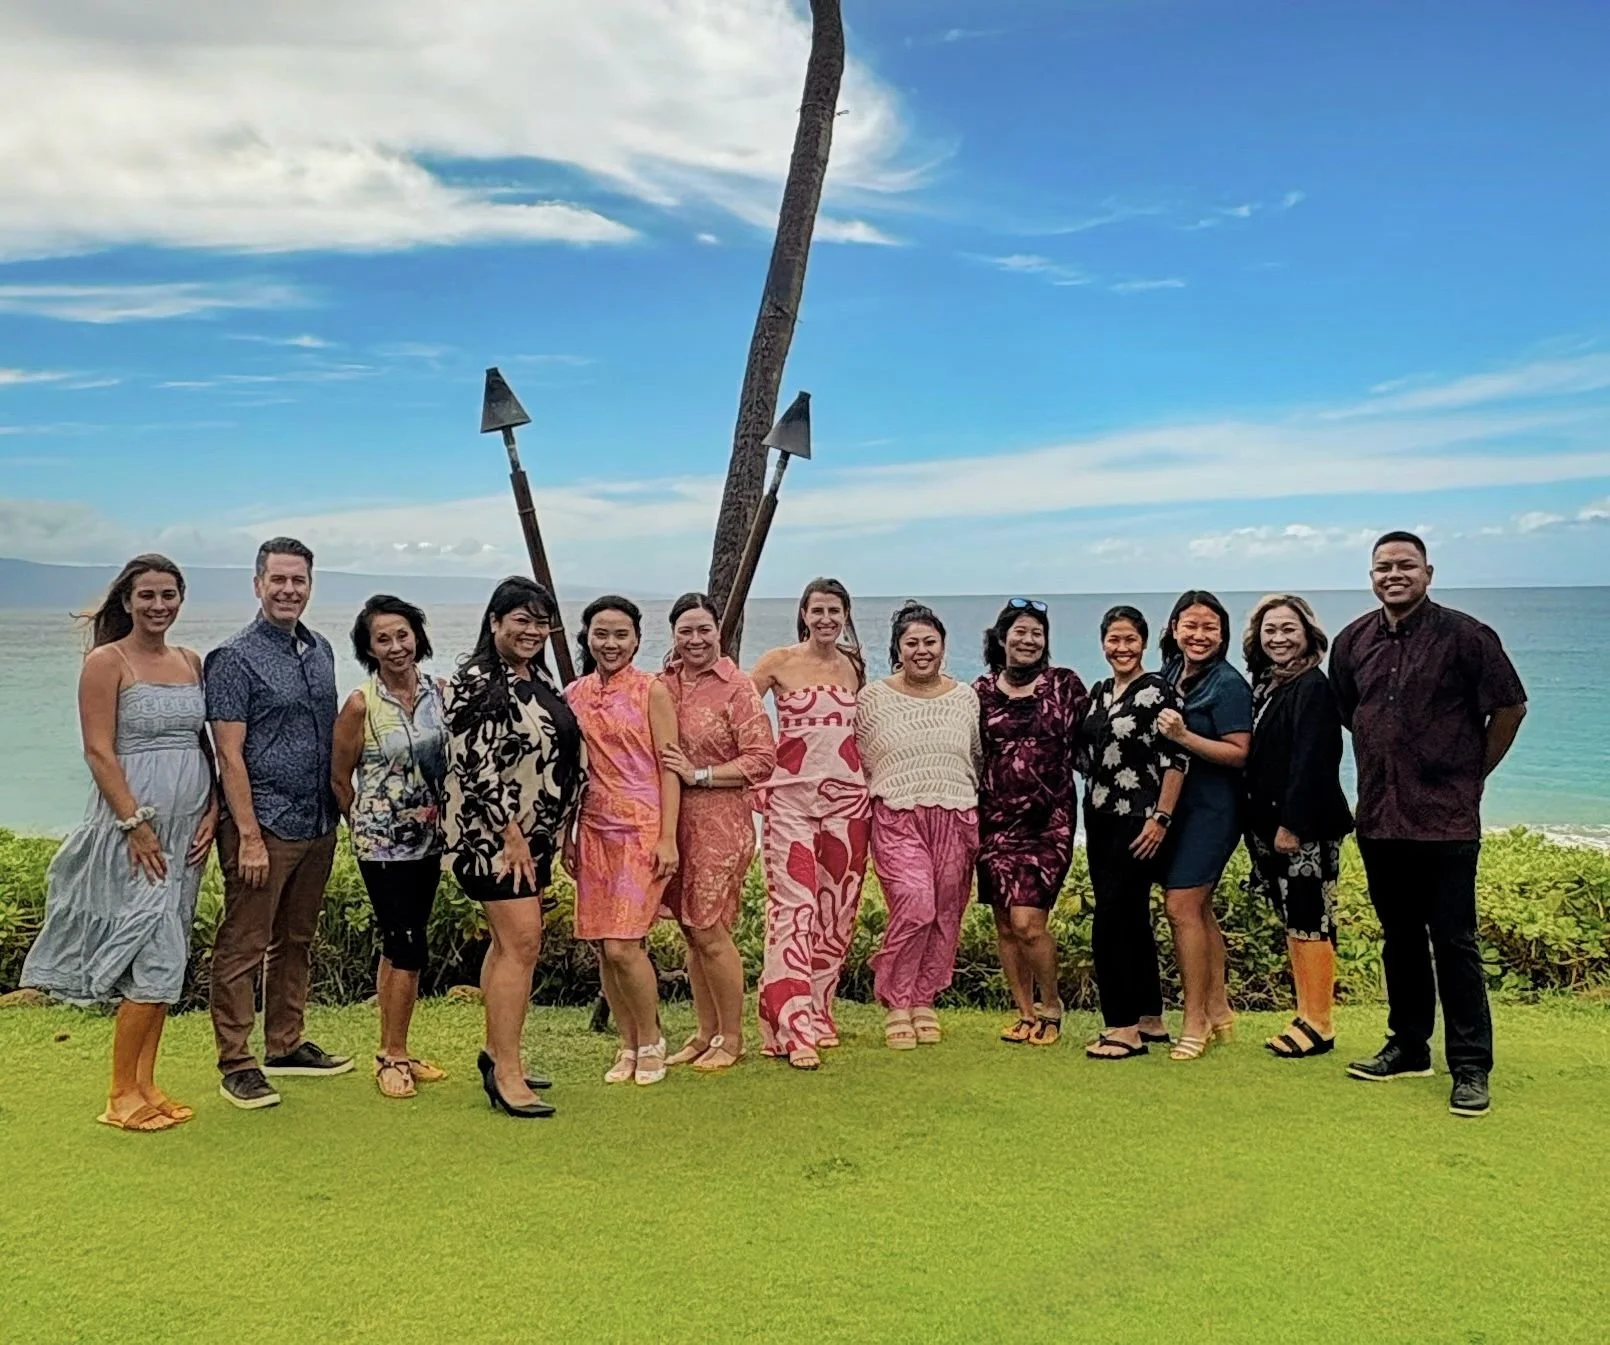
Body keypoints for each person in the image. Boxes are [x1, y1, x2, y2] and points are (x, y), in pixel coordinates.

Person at [1330, 532, 1526, 1118]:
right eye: (1383, 566)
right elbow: (1348, 709)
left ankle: (1469, 1066)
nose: (1394, 574)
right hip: (1380, 817)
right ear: (1371, 576)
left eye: (1405, 566)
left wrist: (1472, 774)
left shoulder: (1467, 636)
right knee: (1401, 939)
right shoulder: (1353, 640)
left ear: (1428, 572)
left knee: (1455, 942)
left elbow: (1510, 706)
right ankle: (1410, 1045)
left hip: (1446, 819)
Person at [22, 555, 217, 1131]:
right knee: (152, 954)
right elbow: (99, 751)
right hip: (136, 832)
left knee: (170, 951)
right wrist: (134, 824)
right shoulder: (106, 662)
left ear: (182, 599)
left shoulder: (190, 662)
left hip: (187, 835)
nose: (158, 605)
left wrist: (214, 809)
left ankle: (146, 1082)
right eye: (147, 596)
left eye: (168, 595)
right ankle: (118, 1095)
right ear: (127, 602)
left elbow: (202, 743)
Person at [205, 538, 348, 1111]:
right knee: (243, 944)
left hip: (317, 819)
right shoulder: (233, 658)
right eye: (278, 579)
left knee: (296, 940)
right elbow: (229, 755)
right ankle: (236, 1061)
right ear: (257, 583)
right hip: (263, 824)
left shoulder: (321, 650)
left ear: (310, 585)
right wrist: (250, 837)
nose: (289, 589)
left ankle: (284, 1044)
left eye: (299, 580)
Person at [445, 577, 585, 1118]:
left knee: (508, 947)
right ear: (495, 622)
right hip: (493, 840)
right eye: (520, 619)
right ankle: (506, 1072)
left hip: (535, 836)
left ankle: (498, 1054)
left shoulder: (536, 676)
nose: (531, 630)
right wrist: (511, 834)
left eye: (540, 621)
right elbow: (474, 765)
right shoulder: (475, 680)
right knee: (523, 944)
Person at [750, 578, 872, 1070]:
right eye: (817, 610)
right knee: (793, 909)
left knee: (837, 910)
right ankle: (789, 1023)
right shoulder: (778, 661)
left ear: (846, 615)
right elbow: (741, 710)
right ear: (803, 613)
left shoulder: (852, 666)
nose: (826, 619)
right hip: (790, 801)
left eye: (834, 611)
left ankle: (819, 1010)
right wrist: (750, 772)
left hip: (848, 802)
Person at [330, 595, 449, 1099]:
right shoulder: (362, 703)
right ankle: (392, 1057)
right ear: (369, 649)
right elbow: (340, 777)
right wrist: (363, 822)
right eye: (384, 639)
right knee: (408, 945)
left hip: (431, 839)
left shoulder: (439, 694)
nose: (397, 646)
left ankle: (393, 1046)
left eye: (403, 635)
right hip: (382, 844)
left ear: (417, 637)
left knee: (402, 940)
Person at [563, 596, 680, 1087]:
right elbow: (570, 771)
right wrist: (568, 833)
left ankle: (651, 1038)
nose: (610, 644)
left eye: (621, 635)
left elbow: (670, 767)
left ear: (637, 639)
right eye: (601, 634)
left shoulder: (652, 690)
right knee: (602, 946)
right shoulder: (574, 693)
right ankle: (627, 1042)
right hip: (593, 829)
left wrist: (668, 837)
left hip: (642, 829)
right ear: (587, 637)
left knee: (624, 944)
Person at [657, 593, 777, 1072]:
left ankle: (732, 1036)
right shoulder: (662, 684)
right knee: (690, 931)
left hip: (721, 823)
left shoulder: (737, 688)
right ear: (673, 636)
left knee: (710, 929)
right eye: (685, 631)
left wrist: (700, 773)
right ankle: (705, 1031)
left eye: (703, 629)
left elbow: (762, 759)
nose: (695, 639)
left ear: (718, 633)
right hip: (671, 821)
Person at [858, 602, 982, 1050]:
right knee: (915, 905)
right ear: (898, 649)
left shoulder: (965, 696)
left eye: (930, 642)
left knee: (946, 914)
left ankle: (924, 998)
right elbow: (860, 759)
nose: (922, 650)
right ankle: (896, 999)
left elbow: (976, 755)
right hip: (896, 815)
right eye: (912, 643)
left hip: (956, 812)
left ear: (943, 647)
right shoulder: (873, 698)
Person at [1242, 595, 1354, 1059]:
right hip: (1269, 826)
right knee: (1294, 922)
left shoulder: (1313, 686)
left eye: (1289, 629)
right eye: (1270, 630)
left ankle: (1319, 1022)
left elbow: (1316, 761)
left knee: (1312, 922)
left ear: (1308, 634)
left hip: (1304, 830)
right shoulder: (1268, 684)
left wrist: (1293, 825)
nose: (1279, 638)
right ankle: (1305, 1012)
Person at [973, 599, 1088, 1047]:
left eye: (1037, 633)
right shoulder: (980, 692)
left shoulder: (1064, 685)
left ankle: (1052, 1005)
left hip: (1049, 820)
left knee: (1028, 922)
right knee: (1004, 923)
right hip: (994, 819)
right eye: (1020, 632)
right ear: (1002, 639)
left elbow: (1093, 736)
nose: (1028, 640)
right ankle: (1024, 1012)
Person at [1077, 606, 1188, 1060]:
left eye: (1130, 640)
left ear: (1144, 643)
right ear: (1102, 643)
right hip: (1099, 817)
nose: (1121, 648)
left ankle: (1121, 1027)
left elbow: (1177, 759)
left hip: (1137, 819)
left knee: (1113, 922)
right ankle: (1149, 1018)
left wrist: (1160, 818)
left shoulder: (1158, 692)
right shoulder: (1100, 691)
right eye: (1113, 640)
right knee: (1131, 919)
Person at [1155, 590, 1252, 1061]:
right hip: (1176, 808)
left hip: (1213, 811)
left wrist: (1183, 736)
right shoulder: (1171, 673)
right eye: (1190, 625)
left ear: (1223, 634)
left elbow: (1239, 753)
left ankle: (1194, 1020)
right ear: (1174, 629)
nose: (1199, 635)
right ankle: (1220, 1010)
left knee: (1180, 907)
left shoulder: (1228, 684)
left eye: (1209, 627)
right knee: (1200, 909)